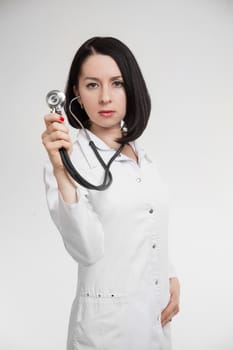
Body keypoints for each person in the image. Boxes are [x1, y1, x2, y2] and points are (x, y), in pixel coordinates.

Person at [41, 36, 180, 350]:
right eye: (92, 85)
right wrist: (63, 174)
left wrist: (170, 276)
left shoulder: (141, 157)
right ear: (75, 92)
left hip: (156, 322)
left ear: (131, 88)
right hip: (106, 332)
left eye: (116, 83)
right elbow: (86, 250)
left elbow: (148, 225)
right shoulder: (68, 160)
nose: (105, 97)